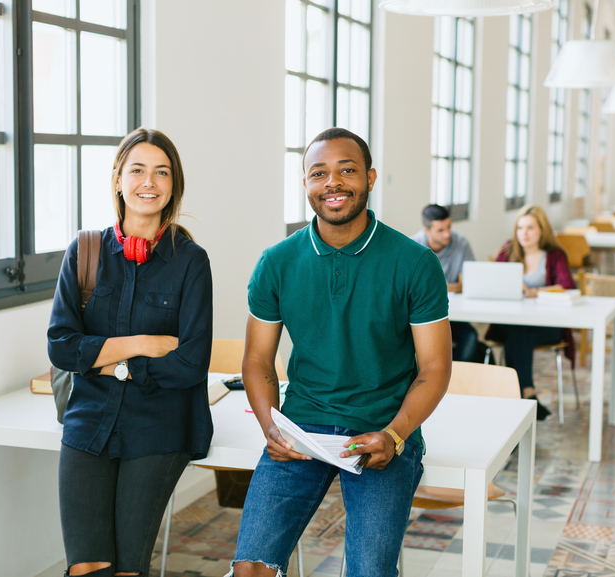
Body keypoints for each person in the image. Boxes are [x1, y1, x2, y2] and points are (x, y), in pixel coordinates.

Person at [229, 128, 453, 577]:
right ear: (306, 185)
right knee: (251, 568)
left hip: (383, 428)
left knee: (368, 572)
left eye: (347, 170)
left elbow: (435, 367)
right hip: (302, 428)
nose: (332, 182)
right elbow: (256, 361)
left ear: (369, 178)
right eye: (319, 173)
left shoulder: (415, 262)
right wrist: (272, 426)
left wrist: (395, 434)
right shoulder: (276, 262)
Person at [47, 128, 213, 577]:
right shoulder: (85, 251)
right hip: (88, 422)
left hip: (160, 426)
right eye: (137, 170)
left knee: (126, 570)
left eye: (162, 172)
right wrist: (140, 347)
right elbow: (61, 346)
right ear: (118, 178)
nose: (149, 182)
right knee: (88, 567)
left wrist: (105, 361)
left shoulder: (190, 262)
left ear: (173, 184)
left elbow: (191, 361)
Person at [487, 204, 575, 421]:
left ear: (542, 230)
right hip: (510, 324)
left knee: (517, 335)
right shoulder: (508, 251)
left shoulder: (554, 255)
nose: (523, 234)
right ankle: (527, 395)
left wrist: (535, 291)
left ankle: (519, 397)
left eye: (530, 228)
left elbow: (566, 285)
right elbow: (493, 278)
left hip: (545, 326)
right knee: (516, 333)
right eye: (520, 228)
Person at [410, 204, 478, 362]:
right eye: (440, 230)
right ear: (426, 230)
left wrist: (439, 288)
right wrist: (451, 287)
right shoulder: (412, 246)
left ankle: (456, 381)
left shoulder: (461, 243)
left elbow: (473, 283)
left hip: (452, 315)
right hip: (420, 316)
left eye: (449, 227)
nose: (447, 234)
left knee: (471, 336)